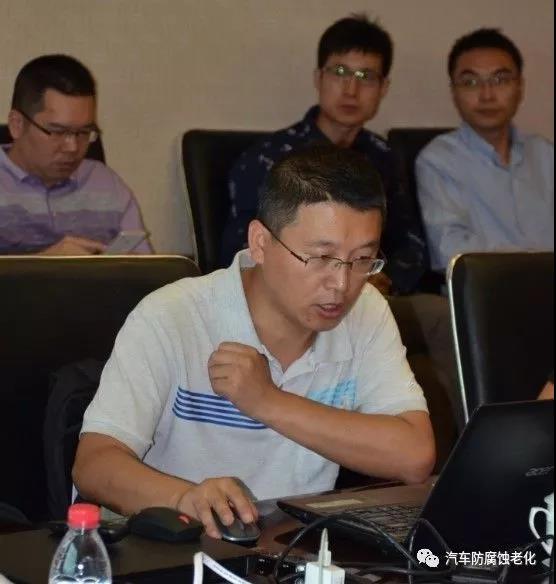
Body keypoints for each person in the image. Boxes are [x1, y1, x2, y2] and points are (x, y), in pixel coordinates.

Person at [73, 145, 435, 538]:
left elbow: (414, 456)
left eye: (363, 259)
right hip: (172, 547)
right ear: (260, 243)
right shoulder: (172, 316)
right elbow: (94, 464)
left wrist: (266, 401)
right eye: (320, 258)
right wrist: (185, 498)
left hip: (290, 548)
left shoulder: (364, 311)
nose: (342, 284)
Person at [220, 14, 426, 296]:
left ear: (384, 88)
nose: (351, 90)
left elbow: (412, 244)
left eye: (366, 77)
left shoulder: (386, 156)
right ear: (318, 78)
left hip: (375, 296)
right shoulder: (268, 158)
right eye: (340, 72)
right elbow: (243, 250)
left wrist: (385, 280)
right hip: (293, 296)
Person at [416, 29, 554, 272]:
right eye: (470, 82)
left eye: (500, 80)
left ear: (520, 87)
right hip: (486, 291)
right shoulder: (438, 160)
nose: (487, 95)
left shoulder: (545, 155)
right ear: (454, 92)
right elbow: (451, 253)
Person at [0, 54, 152, 255]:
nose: (72, 147)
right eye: (57, 132)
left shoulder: (106, 184)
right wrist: (46, 263)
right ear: (17, 125)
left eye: (83, 132)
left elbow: (147, 268)